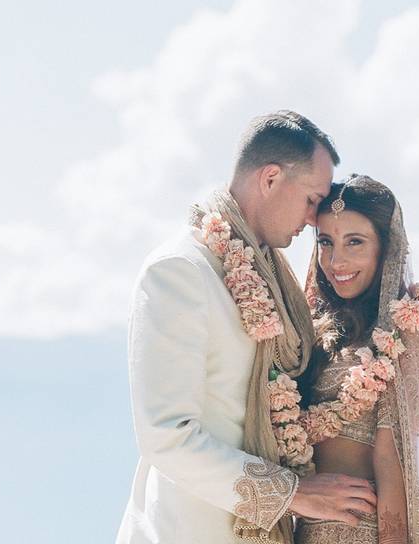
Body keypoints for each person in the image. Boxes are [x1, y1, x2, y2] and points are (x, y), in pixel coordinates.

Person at [116, 112, 377, 544]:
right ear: (271, 178)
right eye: (312, 198)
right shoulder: (180, 271)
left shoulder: (276, 279)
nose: (315, 218)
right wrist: (292, 494)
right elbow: (165, 436)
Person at [295, 175, 419, 544]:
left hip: (364, 531)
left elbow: (393, 458)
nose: (336, 260)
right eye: (326, 242)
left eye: (355, 242)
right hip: (300, 526)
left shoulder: (406, 325)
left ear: (386, 248)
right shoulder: (307, 327)